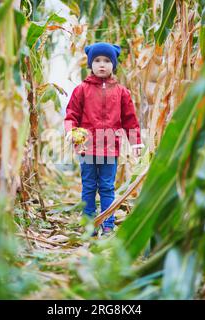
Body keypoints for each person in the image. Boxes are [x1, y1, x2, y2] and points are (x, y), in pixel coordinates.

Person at [64, 42, 144, 237]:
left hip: (110, 148)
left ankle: (108, 224)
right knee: (89, 186)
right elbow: (71, 114)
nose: (102, 64)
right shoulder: (81, 90)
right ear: (90, 64)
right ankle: (89, 225)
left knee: (107, 187)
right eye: (97, 60)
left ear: (113, 65)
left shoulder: (121, 92)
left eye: (107, 61)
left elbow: (129, 120)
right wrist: (71, 130)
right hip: (87, 148)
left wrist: (135, 142)